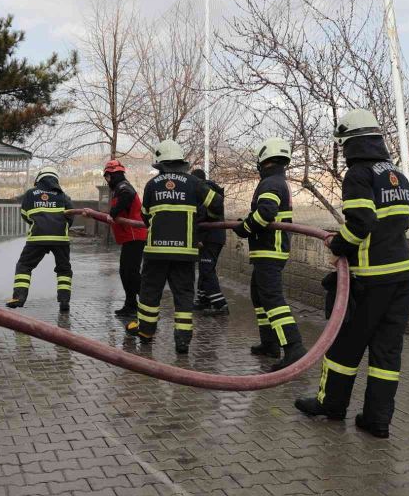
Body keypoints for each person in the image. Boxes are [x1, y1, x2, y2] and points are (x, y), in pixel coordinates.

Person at [295, 109, 409, 439]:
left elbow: (361, 222)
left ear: (350, 143)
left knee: (344, 343)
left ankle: (331, 404)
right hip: (403, 276)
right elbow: (404, 223)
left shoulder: (359, 175)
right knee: (386, 351)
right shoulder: (396, 175)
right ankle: (377, 421)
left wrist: (338, 246)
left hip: (369, 278)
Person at [125, 140, 223, 354]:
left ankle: (146, 333)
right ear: (181, 162)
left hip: (156, 253)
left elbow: (145, 215)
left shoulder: (152, 185)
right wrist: (209, 219)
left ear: (160, 164)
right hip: (184, 254)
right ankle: (182, 341)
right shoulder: (193, 183)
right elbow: (217, 204)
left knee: (150, 293)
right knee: (184, 296)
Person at [233, 137, 306, 371]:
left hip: (269, 251)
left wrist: (243, 228)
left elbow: (265, 212)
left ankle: (294, 348)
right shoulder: (277, 181)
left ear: (264, 159)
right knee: (259, 295)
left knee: (273, 300)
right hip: (270, 250)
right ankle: (270, 343)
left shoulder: (271, 183)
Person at [6, 166, 74, 312]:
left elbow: (25, 214)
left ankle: (19, 298)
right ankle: (64, 302)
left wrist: (38, 224)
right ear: (56, 180)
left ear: (39, 179)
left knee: (24, 266)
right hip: (60, 239)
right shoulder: (63, 195)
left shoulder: (31, 193)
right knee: (64, 269)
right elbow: (71, 217)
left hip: (37, 238)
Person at [103, 160, 147, 317]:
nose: (107, 180)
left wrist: (113, 212)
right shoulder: (120, 187)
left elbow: (127, 197)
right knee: (125, 272)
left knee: (131, 273)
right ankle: (131, 305)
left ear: (112, 175)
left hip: (135, 235)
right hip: (129, 237)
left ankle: (147, 304)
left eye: (107, 177)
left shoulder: (123, 187)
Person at [190, 168, 229, 316]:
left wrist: (197, 237)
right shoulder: (211, 190)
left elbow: (201, 215)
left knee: (206, 269)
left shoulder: (205, 192)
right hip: (213, 237)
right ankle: (202, 300)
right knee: (205, 268)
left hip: (209, 238)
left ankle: (220, 305)